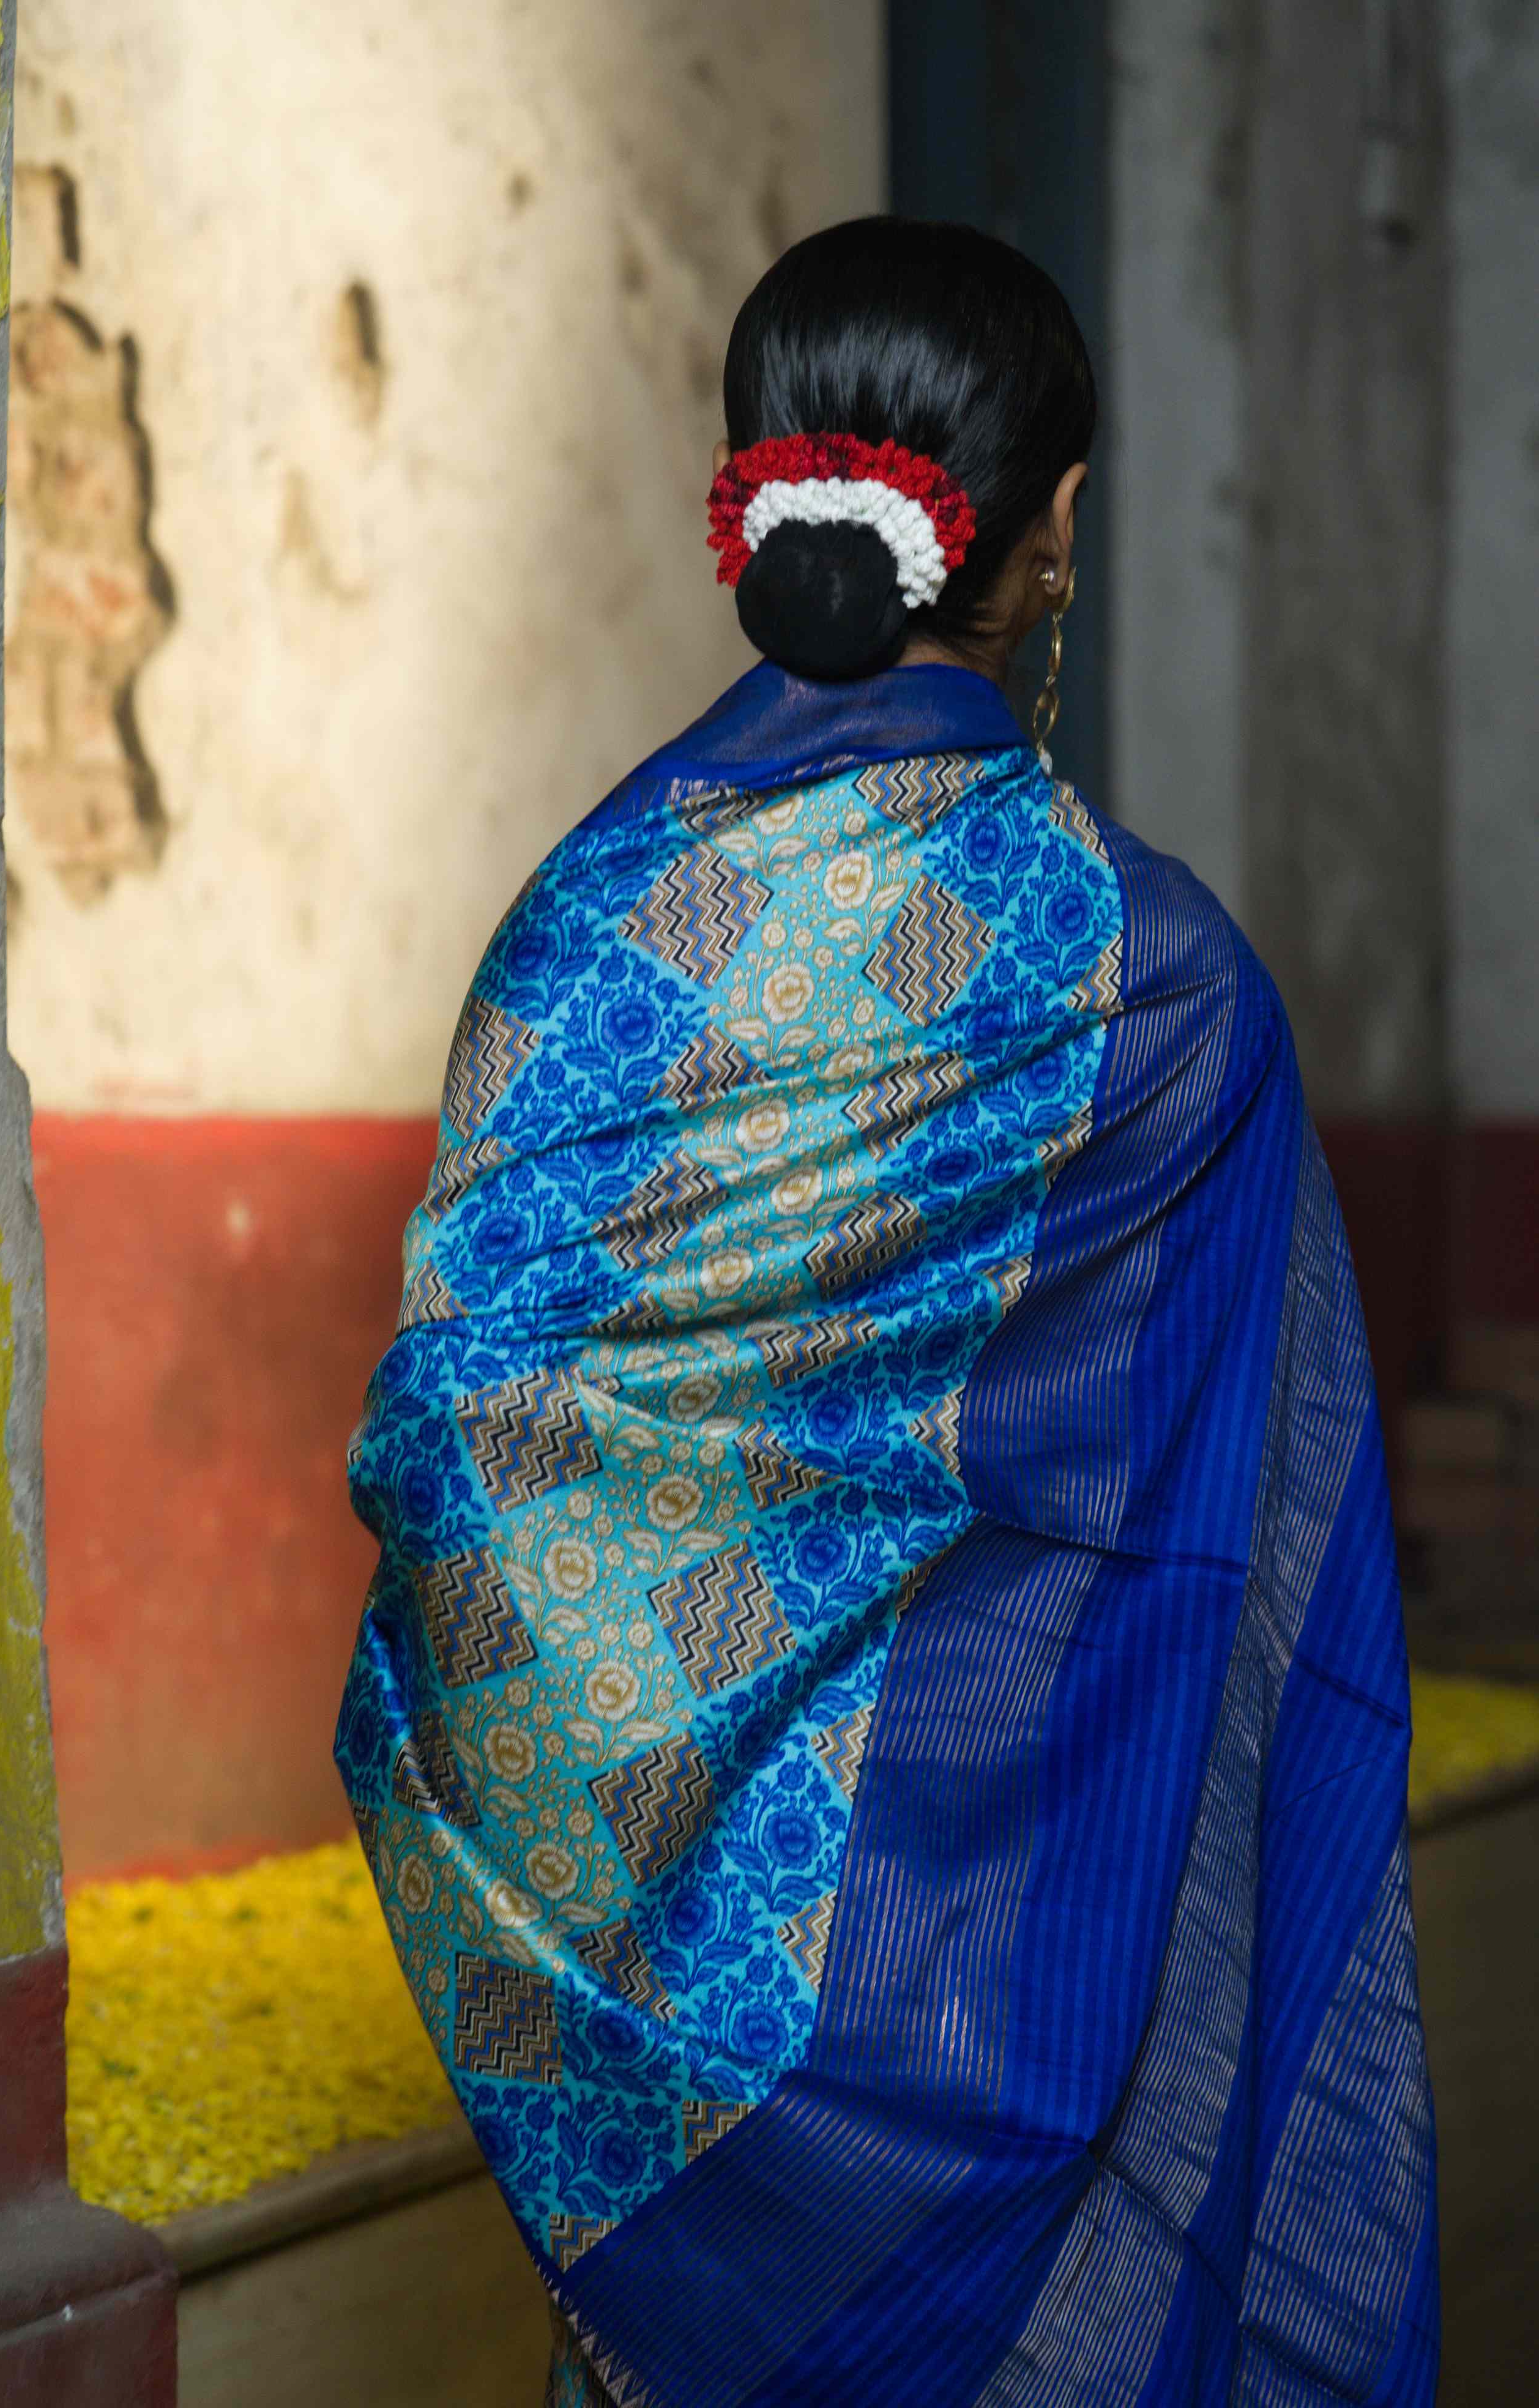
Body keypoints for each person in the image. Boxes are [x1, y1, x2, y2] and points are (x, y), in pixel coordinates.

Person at [335, 217, 1438, 2407]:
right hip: (1033, 1998)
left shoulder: (580, 926)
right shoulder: (1151, 978)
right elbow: (1223, 1563)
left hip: (669, 2055)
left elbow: (477, 1464)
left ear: (754, 493)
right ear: (1054, 534)